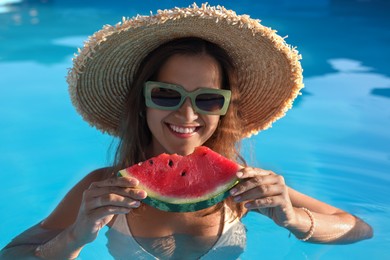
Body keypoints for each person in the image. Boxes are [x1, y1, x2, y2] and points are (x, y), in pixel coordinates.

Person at [1, 3, 373, 260]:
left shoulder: (242, 187)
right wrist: (76, 236)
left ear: (225, 106)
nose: (187, 113)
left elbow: (359, 229)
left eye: (208, 99)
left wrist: (292, 218)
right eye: (166, 94)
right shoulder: (103, 189)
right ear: (142, 101)